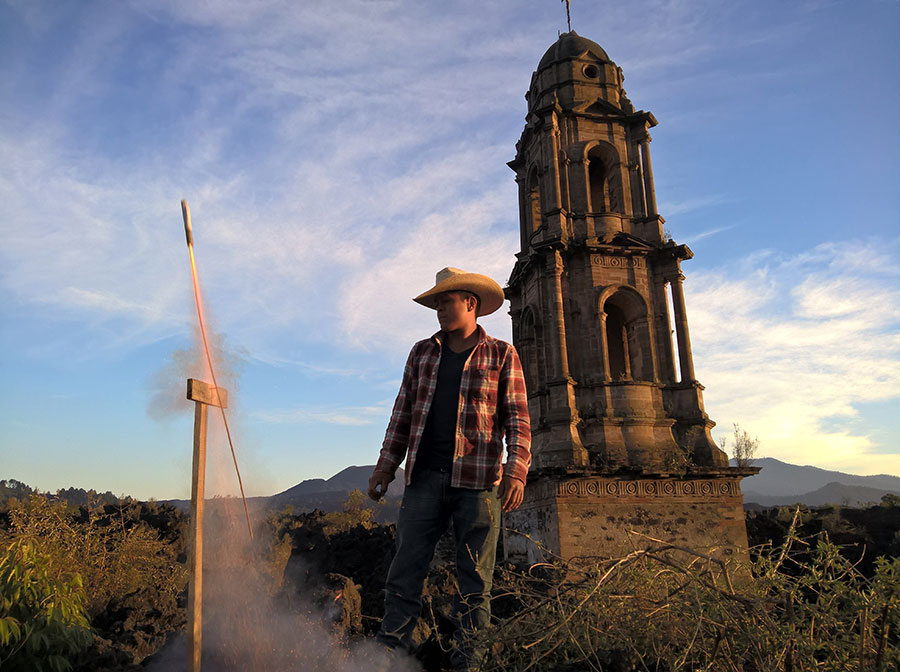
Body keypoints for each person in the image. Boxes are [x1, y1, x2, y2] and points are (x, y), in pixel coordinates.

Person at [368, 267, 531, 670]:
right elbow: (402, 413)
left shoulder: (501, 354)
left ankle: (468, 663)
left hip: (478, 484)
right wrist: (385, 466)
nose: (440, 308)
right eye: (437, 302)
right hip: (424, 479)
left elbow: (518, 418)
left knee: (476, 582)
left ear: (470, 303)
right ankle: (389, 657)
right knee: (404, 572)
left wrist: (517, 470)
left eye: (446, 300)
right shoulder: (421, 353)